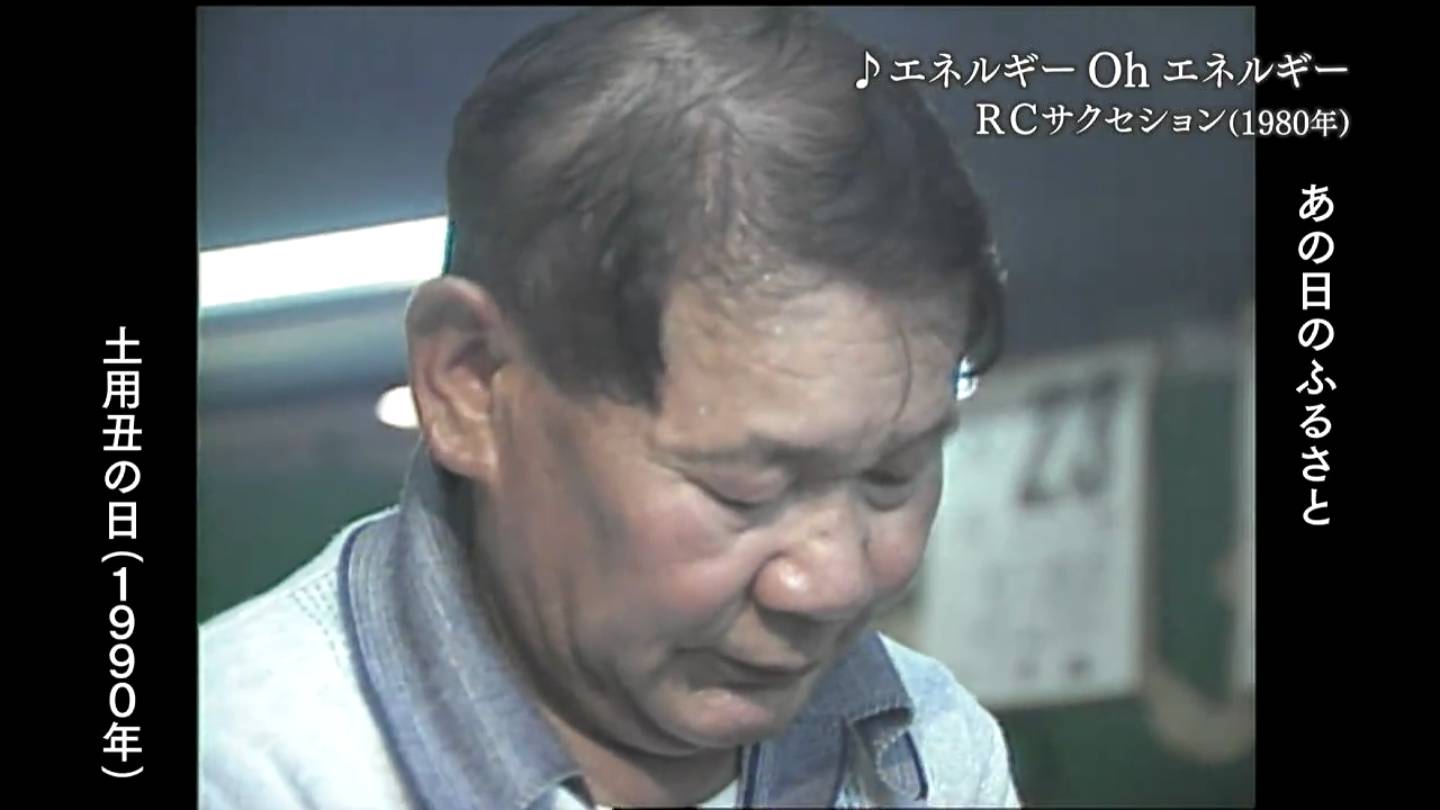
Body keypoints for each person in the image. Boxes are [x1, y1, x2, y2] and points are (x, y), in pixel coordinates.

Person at [201, 7, 1019, 808]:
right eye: (745, 489)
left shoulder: (930, 751)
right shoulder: (243, 768)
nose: (833, 583)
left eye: (892, 475)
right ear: (472, 383)